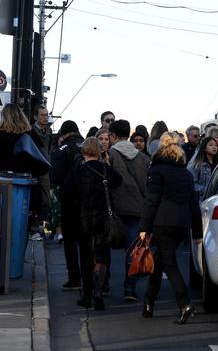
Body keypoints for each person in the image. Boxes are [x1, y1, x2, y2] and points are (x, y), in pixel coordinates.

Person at [139, 132, 202, 324]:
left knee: (169, 263)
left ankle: (184, 303)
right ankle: (148, 303)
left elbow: (152, 200)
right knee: (160, 261)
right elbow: (193, 203)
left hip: (162, 222)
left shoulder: (157, 170)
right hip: (182, 223)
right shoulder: (186, 173)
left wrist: (144, 227)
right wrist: (197, 231)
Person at [64, 137, 122, 310]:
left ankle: (87, 295)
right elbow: (118, 181)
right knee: (102, 255)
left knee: (86, 256)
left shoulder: (77, 171)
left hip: (82, 219)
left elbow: (66, 194)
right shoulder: (105, 170)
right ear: (99, 152)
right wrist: (108, 163)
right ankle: (99, 290)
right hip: (103, 218)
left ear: (83, 152)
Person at [108, 119, 151, 302]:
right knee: (133, 251)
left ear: (113, 136)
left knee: (105, 248)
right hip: (137, 209)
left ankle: (102, 285)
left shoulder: (110, 155)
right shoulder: (144, 158)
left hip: (115, 209)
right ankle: (130, 288)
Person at [51, 120, 85, 290]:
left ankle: (74, 277)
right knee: (87, 241)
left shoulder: (62, 150)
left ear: (63, 134)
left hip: (69, 200)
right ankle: (93, 277)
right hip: (90, 200)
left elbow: (55, 177)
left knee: (70, 241)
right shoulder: (89, 146)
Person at [30, 105, 53, 226]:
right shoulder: (30, 131)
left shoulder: (49, 131)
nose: (45, 117)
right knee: (35, 197)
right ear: (35, 117)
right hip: (34, 169)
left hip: (46, 169)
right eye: (42, 115)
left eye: (46, 115)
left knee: (46, 199)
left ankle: (41, 223)